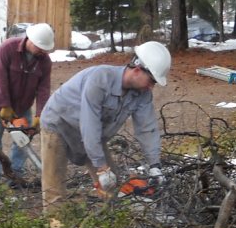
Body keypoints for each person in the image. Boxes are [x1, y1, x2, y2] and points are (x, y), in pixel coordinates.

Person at [39, 40, 171, 212]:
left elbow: (147, 128)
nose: (152, 87)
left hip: (92, 132)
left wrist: (155, 166)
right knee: (54, 190)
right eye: (152, 80)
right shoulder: (100, 79)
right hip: (59, 124)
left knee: (112, 185)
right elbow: (89, 122)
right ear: (138, 70)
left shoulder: (142, 94)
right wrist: (101, 168)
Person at [0, 22, 54, 186]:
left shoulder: (44, 61)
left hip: (23, 107)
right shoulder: (7, 48)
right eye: (39, 47)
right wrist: (4, 105)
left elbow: (44, 89)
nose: (42, 51)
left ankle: (15, 177)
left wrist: (39, 115)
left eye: (45, 49)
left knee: (23, 140)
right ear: (30, 39)